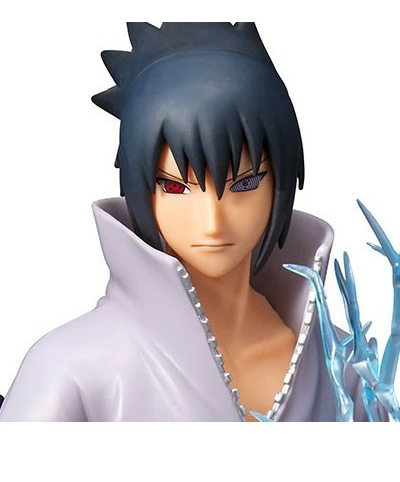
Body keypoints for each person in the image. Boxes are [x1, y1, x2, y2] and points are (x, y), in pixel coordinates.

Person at [0, 22, 366, 421]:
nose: (213, 221)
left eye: (245, 183)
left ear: (280, 180)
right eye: (175, 187)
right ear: (140, 187)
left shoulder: (348, 366)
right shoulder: (70, 370)